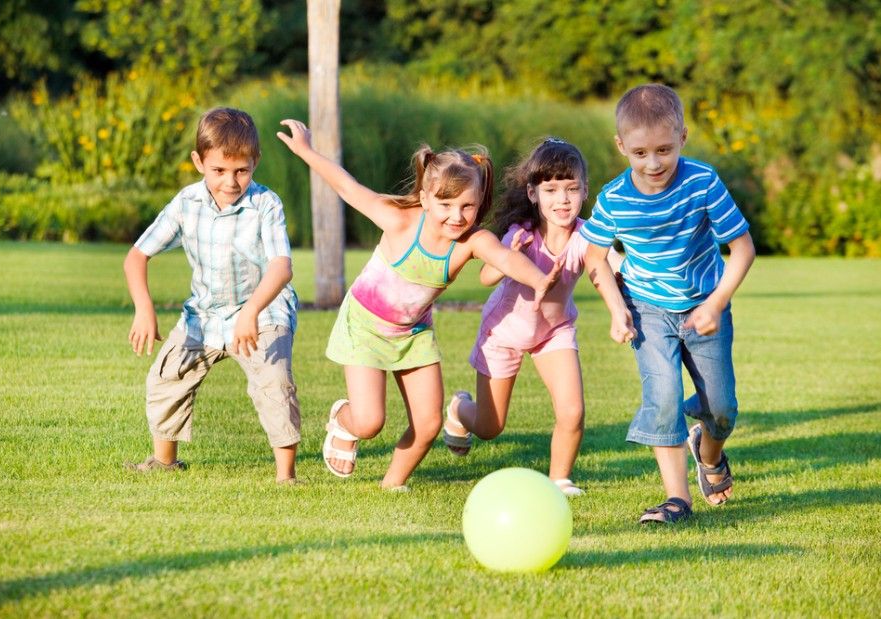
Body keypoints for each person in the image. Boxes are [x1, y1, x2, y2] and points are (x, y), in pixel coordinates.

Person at [276, 118, 560, 491]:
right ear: (425, 198)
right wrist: (307, 152)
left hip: (413, 334)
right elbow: (347, 186)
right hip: (364, 328)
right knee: (370, 421)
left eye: (467, 206)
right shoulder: (398, 220)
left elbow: (505, 258)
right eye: (445, 204)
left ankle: (391, 486)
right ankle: (345, 421)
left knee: (427, 424)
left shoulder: (471, 242)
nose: (456, 216)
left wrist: (540, 280)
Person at [581, 83, 756, 524]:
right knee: (662, 396)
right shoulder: (614, 198)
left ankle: (708, 451)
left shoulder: (702, 182)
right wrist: (617, 309)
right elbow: (593, 255)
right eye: (640, 153)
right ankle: (677, 499)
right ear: (621, 146)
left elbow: (743, 248)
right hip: (648, 310)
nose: (653, 163)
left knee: (721, 408)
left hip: (704, 307)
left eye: (664, 149)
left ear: (683, 138)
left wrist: (716, 304)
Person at [123, 107, 301, 484]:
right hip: (204, 315)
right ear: (199, 161)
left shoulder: (266, 205)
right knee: (167, 376)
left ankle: (286, 477)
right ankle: (164, 461)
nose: (231, 181)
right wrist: (144, 308)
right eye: (219, 170)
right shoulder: (186, 203)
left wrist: (252, 310)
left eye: (242, 170)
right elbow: (137, 256)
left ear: (255, 162)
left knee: (274, 382)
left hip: (263, 311)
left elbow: (281, 267)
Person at [443, 138, 623, 497]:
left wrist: (628, 289)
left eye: (572, 189)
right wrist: (507, 255)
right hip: (503, 332)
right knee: (490, 426)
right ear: (532, 192)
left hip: (553, 332)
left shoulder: (587, 235)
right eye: (552, 189)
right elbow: (486, 277)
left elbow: (609, 266)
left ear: (585, 190)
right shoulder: (521, 234)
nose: (563, 199)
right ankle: (459, 409)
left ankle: (560, 480)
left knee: (572, 411)